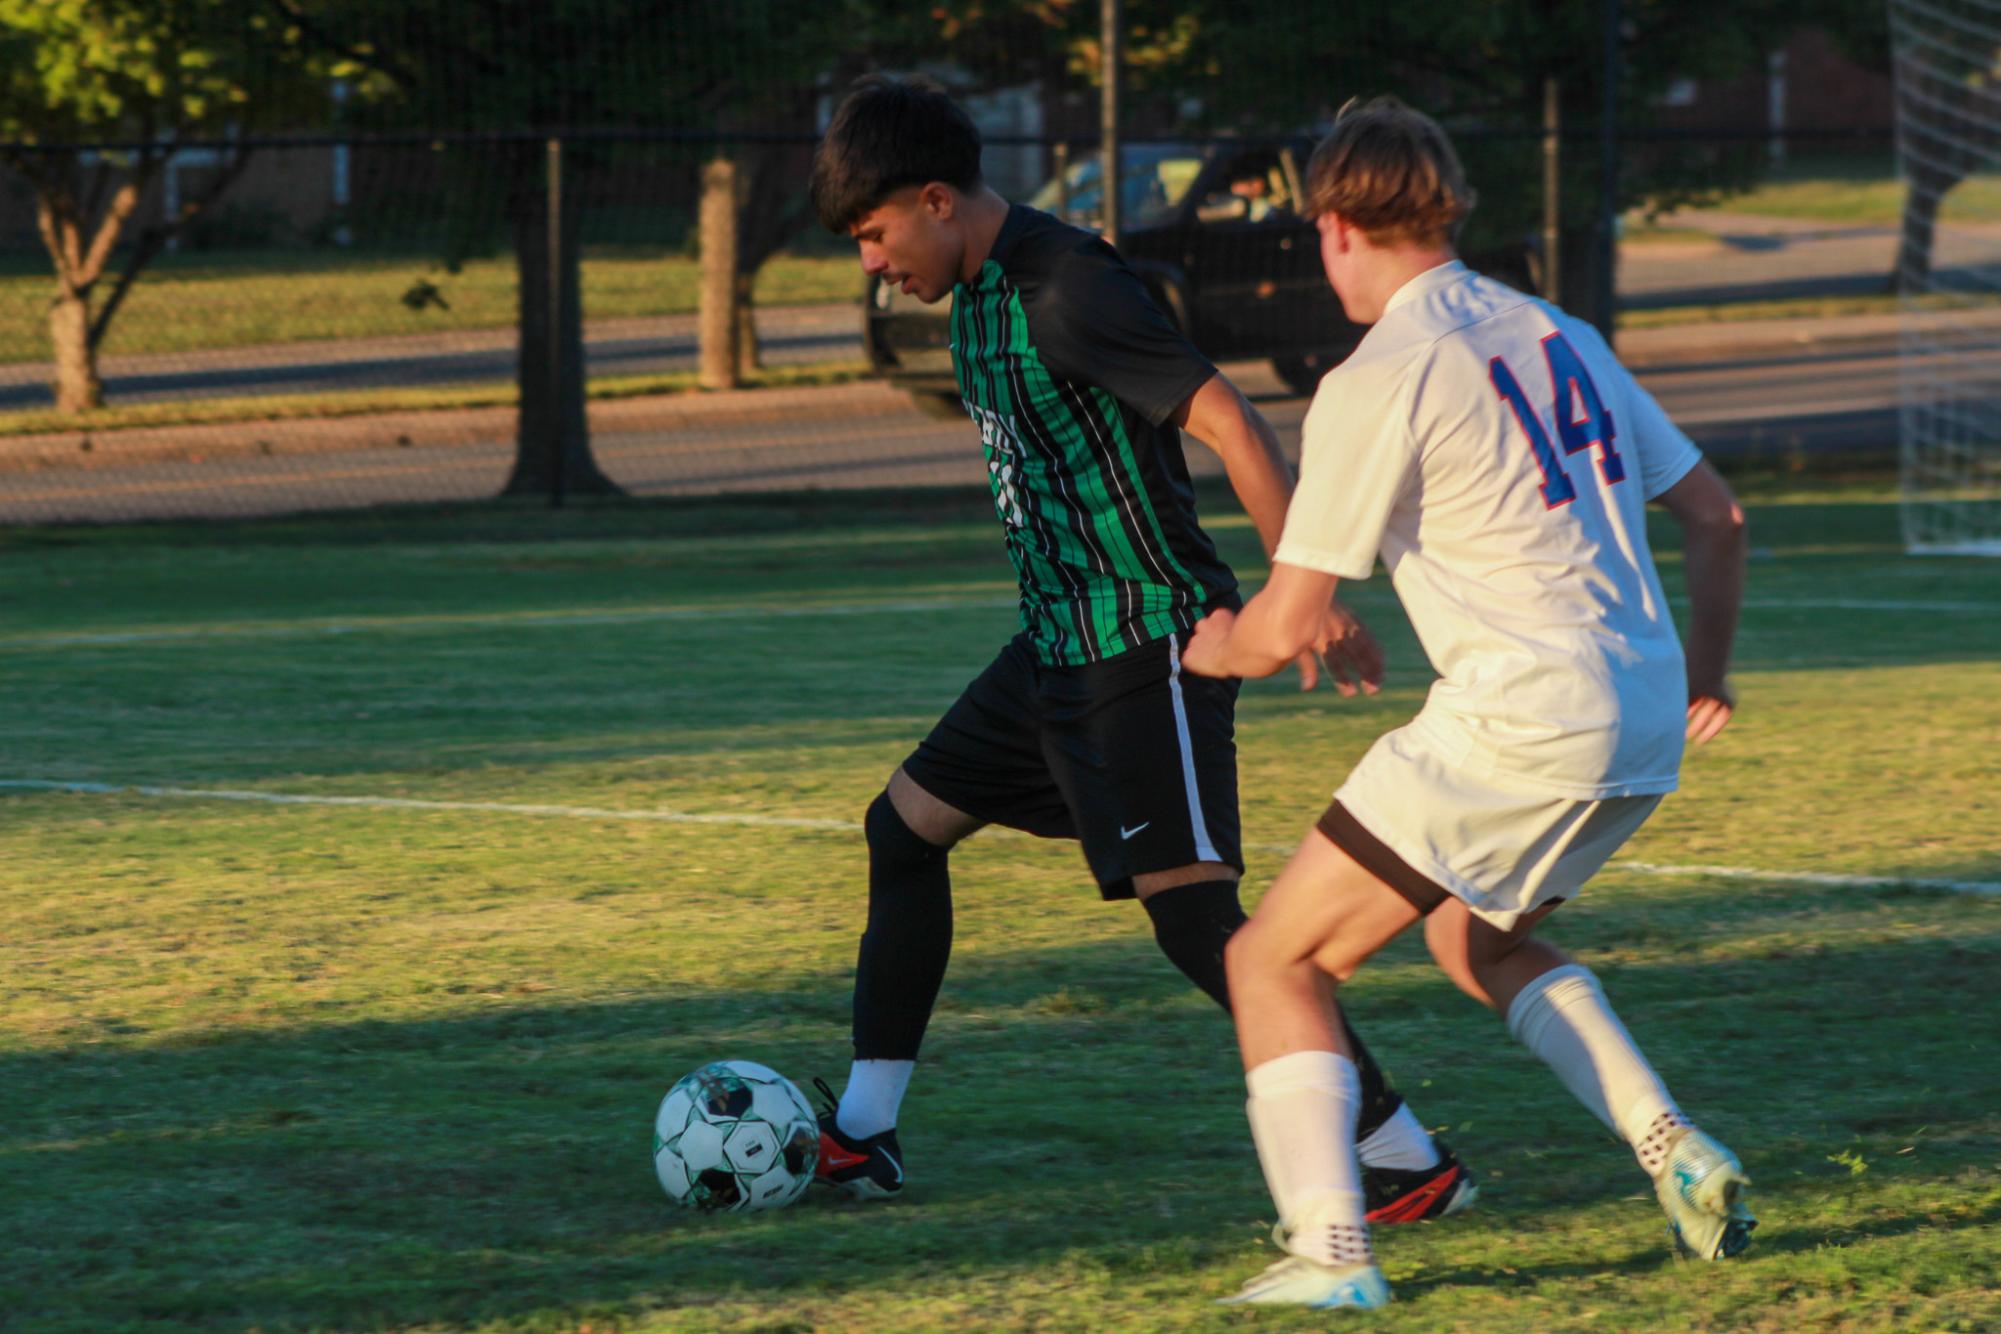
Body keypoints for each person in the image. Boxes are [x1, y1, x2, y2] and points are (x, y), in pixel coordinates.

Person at [804, 74, 1475, 1222]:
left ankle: (1405, 1155)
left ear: (935, 198)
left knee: (1199, 918)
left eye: (875, 234)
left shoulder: (1071, 284)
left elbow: (1230, 420)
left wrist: (1296, 587)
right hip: (1054, 648)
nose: (872, 262)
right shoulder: (972, 297)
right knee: (902, 829)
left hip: (1147, 642)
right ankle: (865, 1135)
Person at [1180, 96, 1755, 1310]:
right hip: (1642, 719)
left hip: (1521, 714)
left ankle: (1329, 1256)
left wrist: (1217, 645)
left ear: (1337, 224)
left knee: (1269, 958)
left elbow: (1283, 620)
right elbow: (1717, 516)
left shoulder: (1378, 372)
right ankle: (1674, 1146)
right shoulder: (1561, 333)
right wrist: (1706, 675)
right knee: (1473, 933)